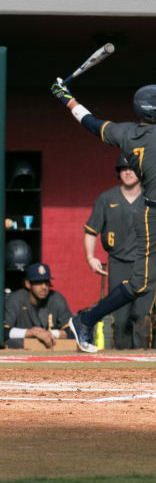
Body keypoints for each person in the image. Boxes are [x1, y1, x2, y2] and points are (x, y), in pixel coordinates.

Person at [51, 78, 156, 352]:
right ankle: (85, 319)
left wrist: (65, 97)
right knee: (140, 283)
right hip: (153, 215)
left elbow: (90, 122)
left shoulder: (126, 133)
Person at [84, 154, 152, 349]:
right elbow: (90, 231)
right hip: (118, 264)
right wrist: (90, 256)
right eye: (123, 169)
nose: (128, 172)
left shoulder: (151, 197)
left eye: (132, 168)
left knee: (141, 316)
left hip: (146, 264)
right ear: (118, 172)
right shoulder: (106, 199)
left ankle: (144, 363)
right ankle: (123, 365)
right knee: (120, 319)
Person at [4, 263, 72, 349]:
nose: (44, 287)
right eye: (38, 282)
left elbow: (72, 332)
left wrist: (49, 333)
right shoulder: (16, 299)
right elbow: (3, 332)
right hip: (21, 351)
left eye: (46, 282)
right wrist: (32, 333)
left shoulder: (56, 299)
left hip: (50, 351)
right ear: (28, 284)